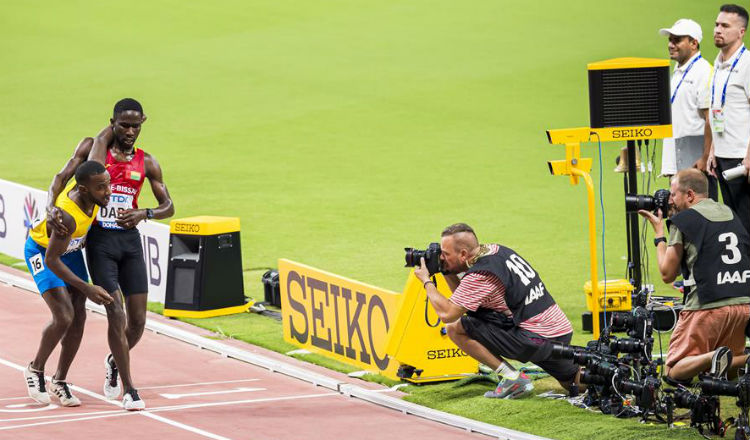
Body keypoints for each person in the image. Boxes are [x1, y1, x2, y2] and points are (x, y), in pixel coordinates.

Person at [46, 98, 174, 410]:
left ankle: (115, 360)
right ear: (113, 123)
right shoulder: (97, 153)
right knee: (115, 312)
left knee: (139, 321)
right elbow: (63, 176)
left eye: (136, 125)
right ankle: (130, 390)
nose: (130, 131)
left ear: (144, 122)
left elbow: (169, 206)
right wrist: (50, 206)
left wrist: (144, 213)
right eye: (124, 125)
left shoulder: (148, 162)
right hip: (101, 241)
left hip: (130, 242)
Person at [413, 223, 579, 399]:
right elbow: (462, 298)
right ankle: (608, 378)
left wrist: (426, 280)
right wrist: (446, 270)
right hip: (556, 329)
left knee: (455, 327)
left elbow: (448, 314)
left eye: (446, 254)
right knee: (574, 383)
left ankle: (511, 377)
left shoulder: (481, 275)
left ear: (462, 254)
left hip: (535, 337)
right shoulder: (496, 251)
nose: (442, 258)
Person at [638, 168, 750, 381]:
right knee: (729, 372)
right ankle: (743, 359)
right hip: (744, 304)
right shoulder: (729, 213)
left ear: (689, 195)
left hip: (707, 306)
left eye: (673, 194)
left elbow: (667, 274)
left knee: (673, 371)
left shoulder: (685, 220)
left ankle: (714, 356)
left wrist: (659, 234)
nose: (670, 200)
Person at [24, 161, 114, 407]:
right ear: (84, 189)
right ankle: (35, 368)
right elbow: (52, 260)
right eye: (101, 188)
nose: (108, 191)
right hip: (43, 252)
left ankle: (60, 381)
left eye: (108, 184)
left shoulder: (94, 193)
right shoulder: (66, 216)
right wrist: (88, 288)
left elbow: (62, 174)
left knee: (79, 317)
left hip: (70, 250)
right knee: (63, 315)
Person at [658, 18, 718, 200]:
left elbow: (711, 119)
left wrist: (705, 157)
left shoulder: (703, 72)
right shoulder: (678, 70)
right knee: (680, 216)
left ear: (694, 43)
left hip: (694, 158)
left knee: (701, 216)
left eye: (677, 40)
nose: (671, 44)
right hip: (678, 155)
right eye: (670, 40)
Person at [707, 4, 750, 234]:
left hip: (741, 160)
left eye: (725, 25)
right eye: (716, 24)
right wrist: (713, 149)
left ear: (741, 32)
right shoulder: (719, 64)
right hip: (723, 157)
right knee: (735, 224)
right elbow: (719, 108)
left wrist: (749, 156)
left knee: (746, 221)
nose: (718, 30)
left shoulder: (747, 64)